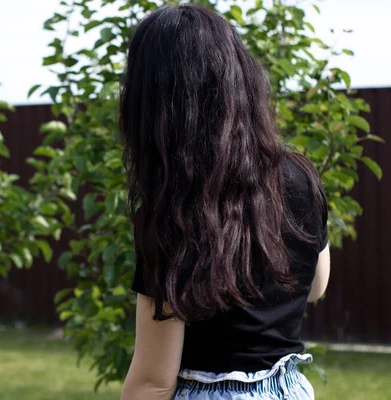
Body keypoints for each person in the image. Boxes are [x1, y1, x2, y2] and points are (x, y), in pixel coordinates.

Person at [119, 4, 330, 400]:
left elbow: (154, 380)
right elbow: (316, 286)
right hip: (288, 389)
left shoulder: (174, 209)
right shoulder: (300, 174)